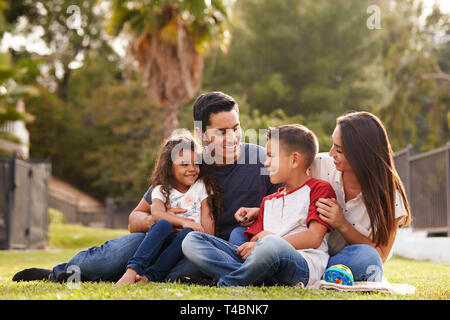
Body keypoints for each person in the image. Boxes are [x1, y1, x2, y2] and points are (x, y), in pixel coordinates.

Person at [12, 91, 281, 283]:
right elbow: (134, 219)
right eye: (222, 132)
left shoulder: (262, 161)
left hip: (214, 251)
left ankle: (139, 275)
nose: (233, 137)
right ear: (201, 134)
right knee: (113, 256)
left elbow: (283, 210)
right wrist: (170, 221)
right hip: (166, 238)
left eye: (236, 128)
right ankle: (60, 273)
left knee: (183, 273)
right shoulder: (187, 163)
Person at [228, 111, 412, 283]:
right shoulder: (320, 164)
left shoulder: (390, 196)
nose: (331, 153)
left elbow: (381, 255)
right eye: (333, 145)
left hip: (343, 260)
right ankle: (283, 270)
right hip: (305, 250)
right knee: (239, 233)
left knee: (368, 258)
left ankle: (309, 273)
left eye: (339, 150)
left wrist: (342, 224)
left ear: (361, 154)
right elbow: (292, 192)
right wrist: (262, 212)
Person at [182, 124, 337, 287]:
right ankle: (256, 279)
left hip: (301, 264)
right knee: (192, 240)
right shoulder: (268, 201)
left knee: (271, 244)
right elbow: (255, 239)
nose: (266, 162)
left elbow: (314, 237)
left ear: (294, 160)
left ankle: (231, 282)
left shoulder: (319, 188)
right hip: (263, 261)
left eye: (271, 156)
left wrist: (267, 240)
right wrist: (257, 241)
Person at [116, 132, 220, 285]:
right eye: (184, 164)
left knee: (188, 233)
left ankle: (150, 277)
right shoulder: (161, 189)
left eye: (196, 163)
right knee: (163, 224)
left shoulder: (201, 186)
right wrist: (183, 222)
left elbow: (208, 216)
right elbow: (157, 213)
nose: (192, 169)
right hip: (164, 238)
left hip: (187, 243)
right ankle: (132, 271)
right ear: (169, 167)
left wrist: (208, 241)